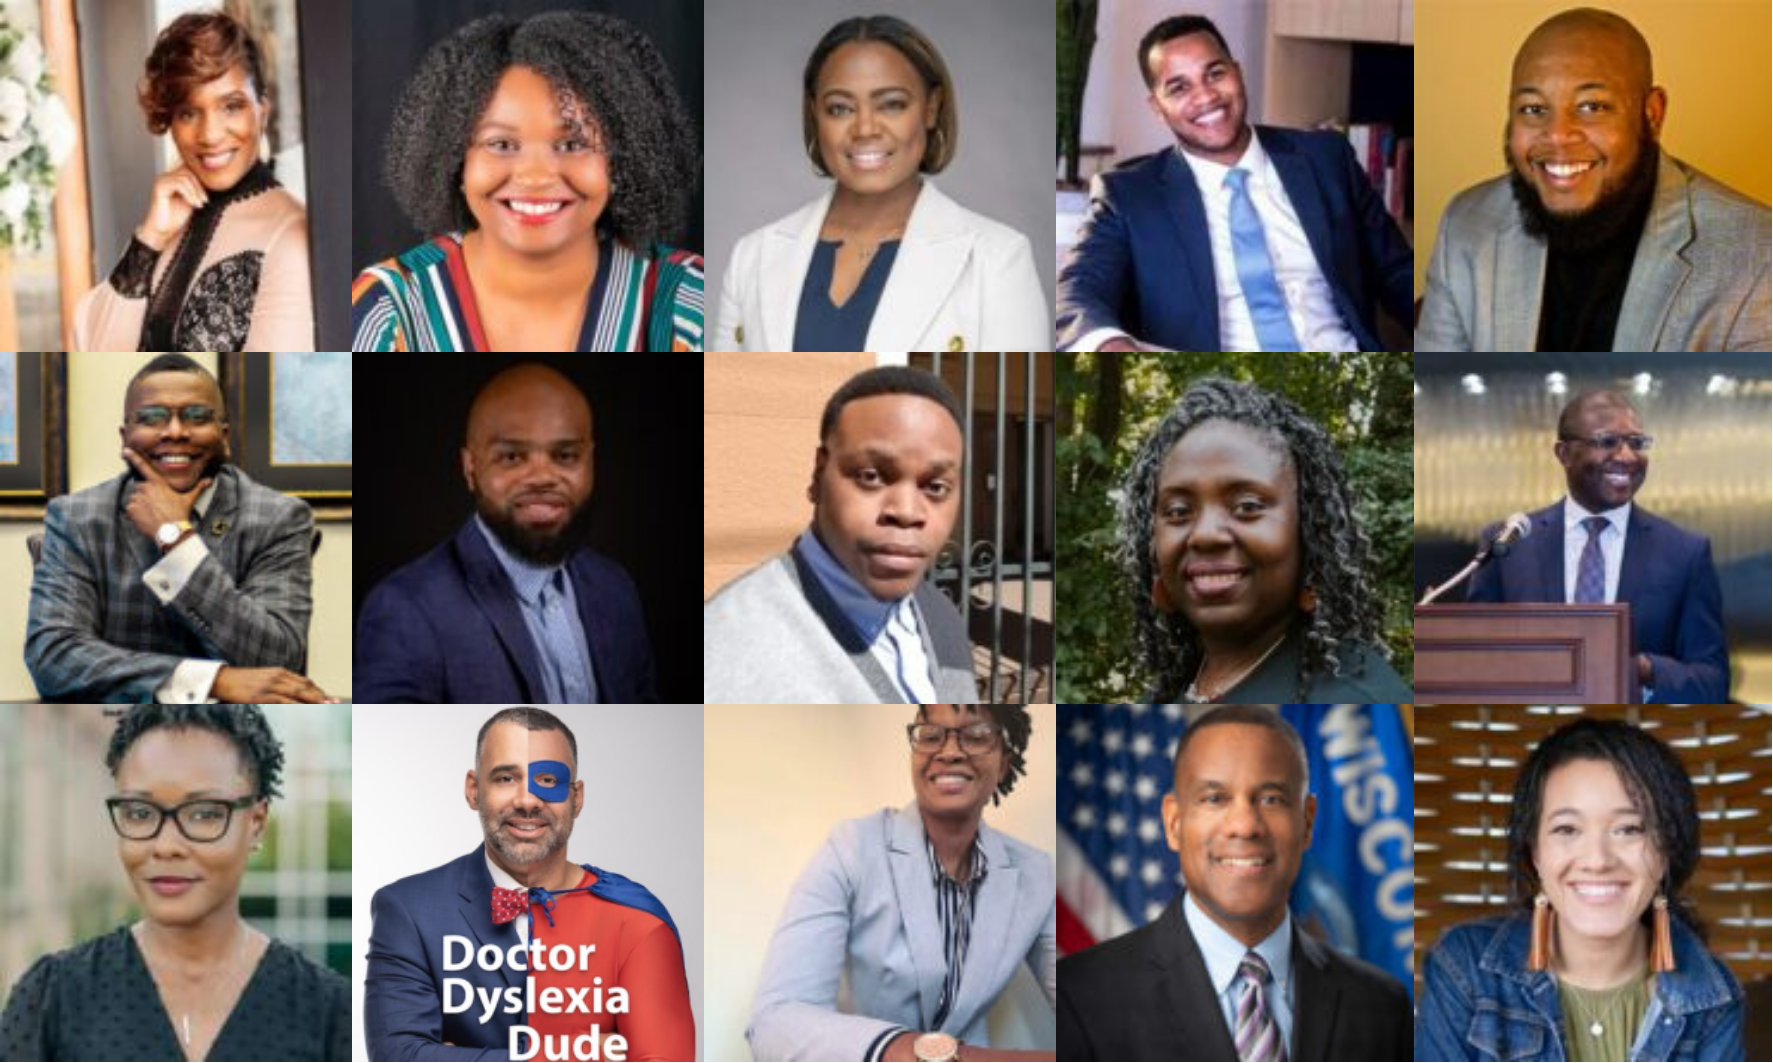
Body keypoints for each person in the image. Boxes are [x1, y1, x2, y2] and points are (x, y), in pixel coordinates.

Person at [1059, 706, 1412, 1062]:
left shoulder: (1382, 1004)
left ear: (1306, 822)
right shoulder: (1078, 996)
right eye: (1215, 799)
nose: (1245, 825)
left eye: (1271, 799)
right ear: (1173, 823)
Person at [0, 706, 348, 1061]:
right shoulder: (51, 999)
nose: (166, 846)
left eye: (204, 814)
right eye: (139, 813)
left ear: (256, 823)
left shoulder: (332, 1014)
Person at [1417, 7, 1770, 352]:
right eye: (1533, 109)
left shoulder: (1756, 255)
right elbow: (1433, 401)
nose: (1556, 136)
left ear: (1652, 114)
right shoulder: (1466, 225)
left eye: (1592, 107)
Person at [1056, 15, 1412, 353]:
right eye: (1179, 88)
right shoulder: (1129, 197)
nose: (1206, 96)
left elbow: (1397, 271)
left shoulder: (1325, 158)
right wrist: (1106, 344)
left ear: (1237, 73)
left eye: (1215, 73)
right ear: (1157, 107)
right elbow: (1077, 291)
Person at [352, 11, 703, 351]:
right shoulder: (387, 310)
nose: (535, 176)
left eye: (573, 144)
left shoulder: (686, 303)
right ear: (455, 160)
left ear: (622, 159)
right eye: (501, 144)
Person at [364, 707, 694, 1061]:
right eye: (506, 778)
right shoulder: (407, 910)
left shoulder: (637, 917)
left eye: (548, 781)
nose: (526, 801)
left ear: (576, 798)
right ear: (474, 790)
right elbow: (398, 1055)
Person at [1417, 716, 1745, 1061]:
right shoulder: (1464, 967)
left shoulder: (1715, 998)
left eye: (1629, 829)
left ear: (1667, 851)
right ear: (1535, 853)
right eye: (1567, 829)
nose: (1598, 860)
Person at [714, 14, 1048, 352]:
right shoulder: (752, 257)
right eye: (840, 109)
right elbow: (722, 401)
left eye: (891, 105)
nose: (865, 128)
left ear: (931, 108)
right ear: (815, 113)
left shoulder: (997, 259)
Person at [749, 704, 1055, 1062]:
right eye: (930, 735)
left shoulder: (1037, 873)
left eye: (975, 736)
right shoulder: (852, 847)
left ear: (1003, 763)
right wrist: (944, 1058)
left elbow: (1082, 1002)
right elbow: (775, 1020)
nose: (950, 751)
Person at [25, 354, 328, 705]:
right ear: (125, 436)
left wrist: (178, 540)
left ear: (224, 436)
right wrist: (213, 681)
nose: (175, 432)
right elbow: (54, 658)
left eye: (196, 417)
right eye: (152, 418)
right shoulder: (76, 518)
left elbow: (278, 659)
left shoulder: (279, 518)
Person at [355, 363, 656, 703]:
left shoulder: (615, 588)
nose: (542, 476)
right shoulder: (405, 609)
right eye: (512, 457)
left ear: (590, 461)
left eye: (565, 455)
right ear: (471, 468)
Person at [1114, 377, 1409, 703]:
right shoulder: (1166, 695)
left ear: (1311, 534)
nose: (1205, 534)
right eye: (1179, 511)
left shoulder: (1359, 699)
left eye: (1247, 507)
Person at [703, 366, 977, 703]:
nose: (907, 511)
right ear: (818, 476)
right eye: (871, 476)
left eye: (936, 487)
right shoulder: (725, 646)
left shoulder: (941, 616)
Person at [1466, 389, 1729, 703]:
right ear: (1564, 454)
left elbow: (1712, 682)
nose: (1627, 456)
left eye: (1636, 443)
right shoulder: (1509, 543)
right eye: (1607, 441)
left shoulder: (1685, 552)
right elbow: (1475, 659)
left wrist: (1642, 669)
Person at [75, 11, 312, 352]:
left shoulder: (290, 235)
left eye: (231, 106)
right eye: (188, 112)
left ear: (262, 110)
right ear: (169, 120)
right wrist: (150, 238)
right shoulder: (166, 223)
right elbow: (93, 354)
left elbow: (276, 392)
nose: (210, 135)